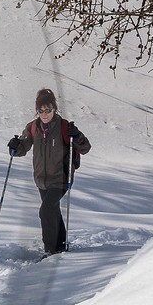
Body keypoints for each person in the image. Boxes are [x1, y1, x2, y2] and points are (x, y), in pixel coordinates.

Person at [8, 88, 92, 256]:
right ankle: (60, 245)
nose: (44, 114)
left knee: (45, 211)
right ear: (36, 110)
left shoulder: (64, 127)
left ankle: (50, 251)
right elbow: (23, 147)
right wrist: (15, 147)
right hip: (41, 180)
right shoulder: (33, 127)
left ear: (55, 108)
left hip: (61, 179)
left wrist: (77, 137)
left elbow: (85, 148)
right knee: (53, 210)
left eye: (48, 110)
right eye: (41, 110)